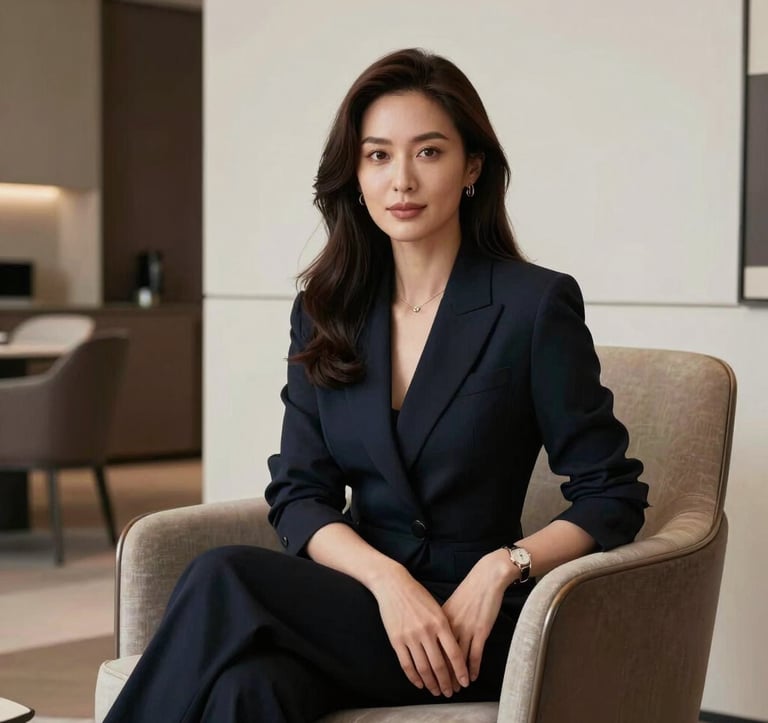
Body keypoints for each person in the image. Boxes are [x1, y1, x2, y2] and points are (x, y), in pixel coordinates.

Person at [103, 48, 648, 723]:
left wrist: (501, 567)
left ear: (471, 166)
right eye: (379, 155)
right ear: (355, 174)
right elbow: (301, 493)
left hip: (466, 625)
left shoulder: (532, 307)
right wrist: (386, 579)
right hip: (363, 605)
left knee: (224, 576)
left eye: (428, 152)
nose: (402, 181)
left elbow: (612, 494)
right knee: (250, 689)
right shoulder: (326, 309)